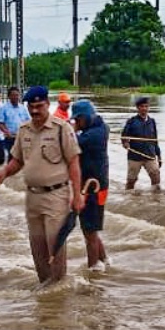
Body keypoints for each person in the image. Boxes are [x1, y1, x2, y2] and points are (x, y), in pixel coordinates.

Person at [0, 86, 84, 284]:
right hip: (32, 197)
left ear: (47, 105)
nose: (35, 111)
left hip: (56, 195)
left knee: (55, 244)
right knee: (37, 246)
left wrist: (77, 195)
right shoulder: (24, 130)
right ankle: (45, 287)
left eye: (39, 106)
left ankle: (58, 286)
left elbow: (74, 162)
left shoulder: (62, 128)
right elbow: (18, 161)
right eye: (31, 107)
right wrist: (5, 172)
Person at [72, 99, 110, 272]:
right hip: (92, 185)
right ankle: (105, 261)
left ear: (85, 117)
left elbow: (73, 144)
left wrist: (70, 131)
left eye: (78, 120)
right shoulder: (95, 128)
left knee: (89, 231)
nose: (76, 123)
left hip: (94, 187)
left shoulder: (95, 133)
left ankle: (94, 270)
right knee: (91, 229)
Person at [121, 96, 161, 190]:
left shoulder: (152, 122)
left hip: (149, 155)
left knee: (156, 177)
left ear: (148, 108)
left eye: (146, 106)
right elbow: (124, 135)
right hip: (135, 156)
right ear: (138, 108)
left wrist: (159, 155)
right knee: (131, 181)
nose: (144, 108)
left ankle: (156, 199)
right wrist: (125, 142)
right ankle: (129, 197)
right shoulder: (131, 121)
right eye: (142, 106)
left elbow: (155, 140)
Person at [0, 86, 30, 156]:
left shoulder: (23, 108)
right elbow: (0, 123)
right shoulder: (4, 108)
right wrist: (7, 132)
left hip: (21, 137)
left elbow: (29, 122)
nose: (15, 97)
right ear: (9, 96)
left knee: (23, 156)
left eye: (17, 95)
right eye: (13, 95)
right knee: (12, 156)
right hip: (9, 137)